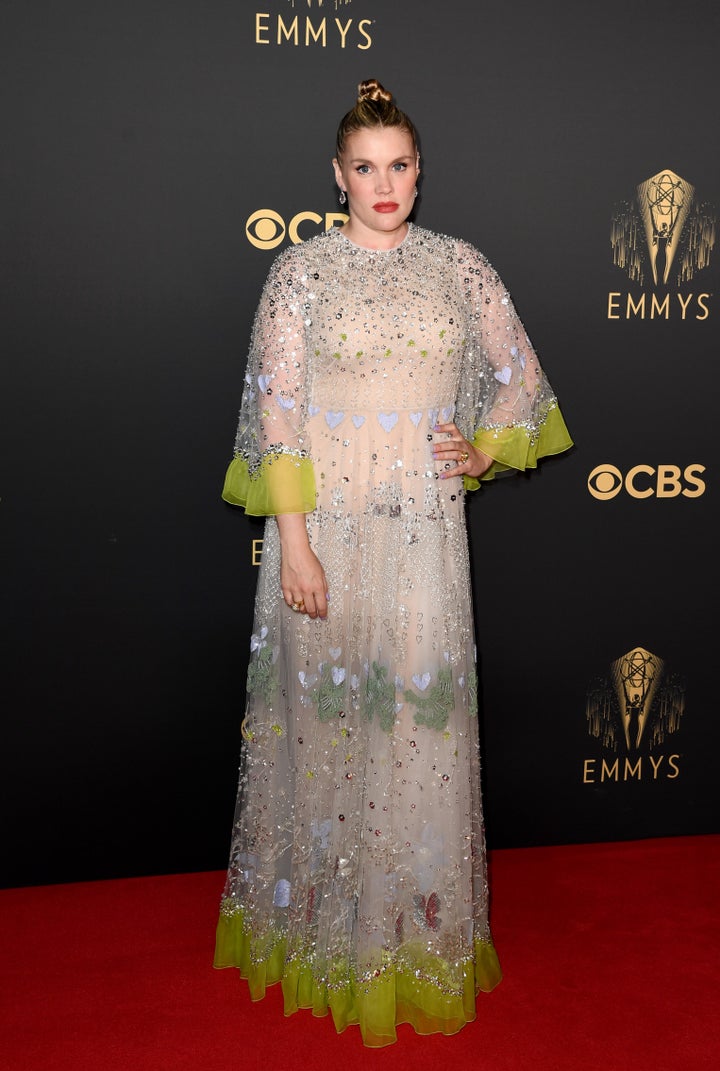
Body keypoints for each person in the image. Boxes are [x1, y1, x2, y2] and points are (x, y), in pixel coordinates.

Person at [214, 78, 572, 1047]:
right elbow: (274, 411)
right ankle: (321, 923)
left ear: (421, 170)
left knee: (419, 732)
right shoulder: (300, 274)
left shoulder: (464, 268)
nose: (385, 184)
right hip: (325, 536)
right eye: (365, 168)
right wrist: (294, 543)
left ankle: (412, 928)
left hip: (422, 537)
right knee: (323, 731)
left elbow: (518, 382)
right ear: (337, 176)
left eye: (400, 165)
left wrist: (486, 448)